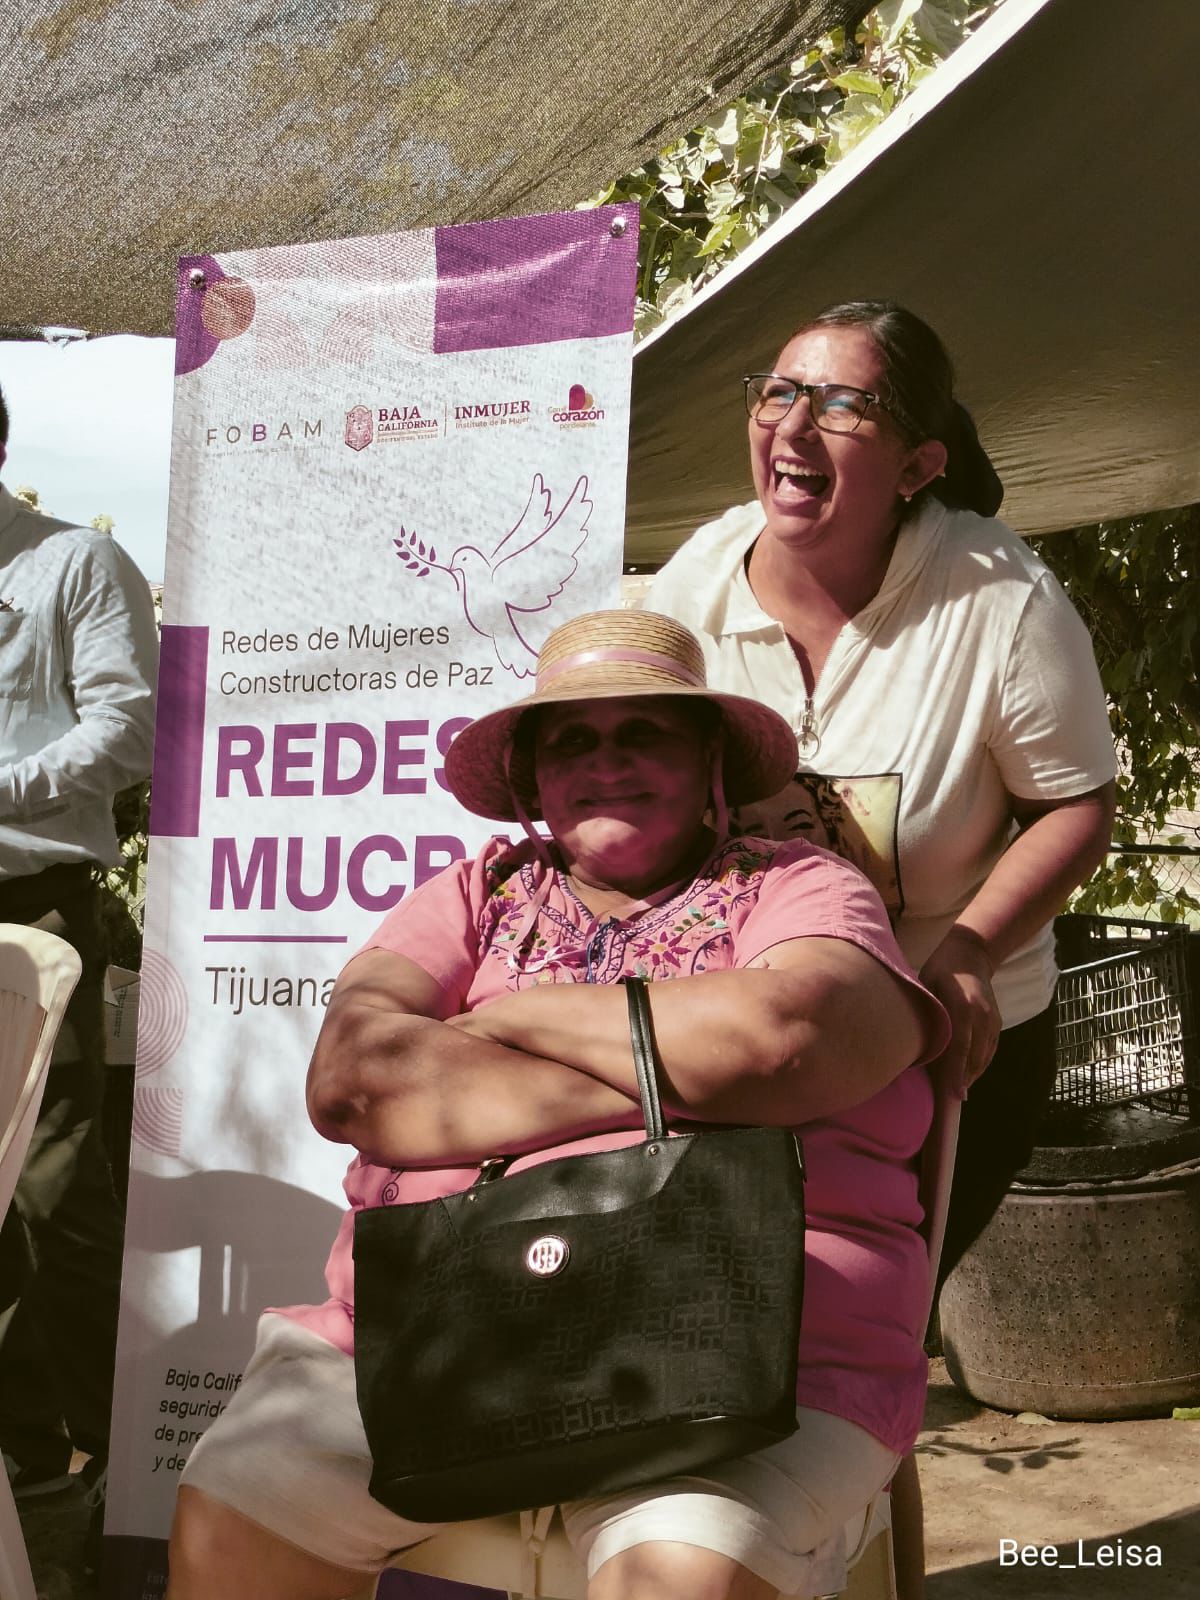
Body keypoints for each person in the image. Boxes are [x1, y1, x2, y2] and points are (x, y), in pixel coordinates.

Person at [167, 607, 950, 1600]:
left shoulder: (796, 886)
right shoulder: (470, 895)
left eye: (644, 732)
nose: (605, 760)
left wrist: (506, 1022)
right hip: (445, 1341)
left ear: (712, 758)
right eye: (571, 739)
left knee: (684, 1571)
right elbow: (354, 1080)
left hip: (758, 1354)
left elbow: (787, 1038)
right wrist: (691, 1077)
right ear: (533, 779)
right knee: (240, 1495)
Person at [644, 300, 1118, 1592]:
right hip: (763, 1046)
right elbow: (631, 783)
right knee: (760, 1348)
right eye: (776, 390)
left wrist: (964, 947)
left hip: (956, 1054)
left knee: (860, 1352)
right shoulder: (693, 585)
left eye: (843, 405)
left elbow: (1077, 801)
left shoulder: (1000, 598)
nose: (793, 425)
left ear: (919, 464)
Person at [0, 384, 158, 1543]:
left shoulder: (76, 564)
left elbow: (129, 729)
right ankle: (26, 1462)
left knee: (49, 1195)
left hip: (33, 907)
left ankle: (124, 1473)